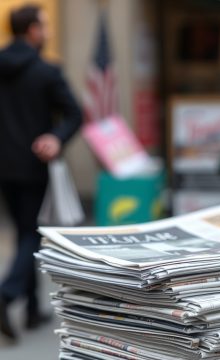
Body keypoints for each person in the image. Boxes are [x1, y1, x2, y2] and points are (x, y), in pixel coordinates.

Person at [0, 5, 82, 342]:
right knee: (32, 233)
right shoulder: (47, 71)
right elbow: (76, 114)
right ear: (32, 30)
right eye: (44, 25)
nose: (47, 31)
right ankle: (6, 294)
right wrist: (56, 137)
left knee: (22, 232)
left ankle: (32, 311)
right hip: (34, 165)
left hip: (3, 166)